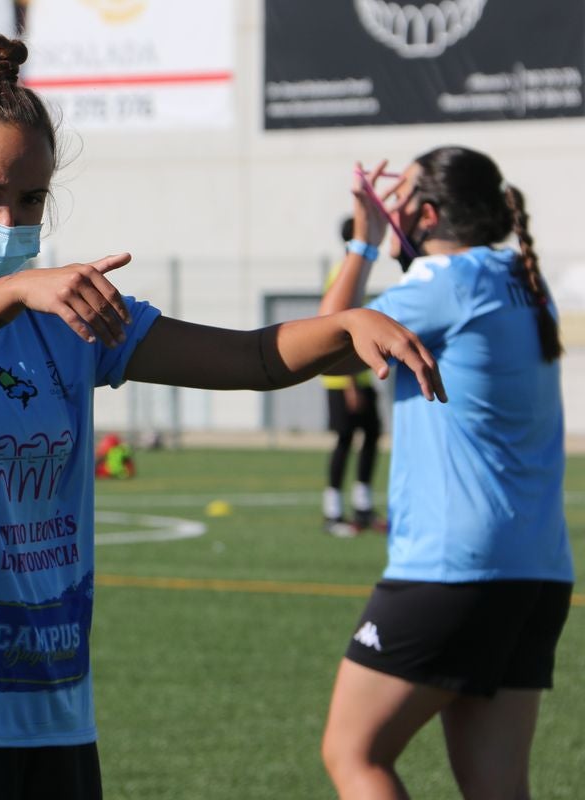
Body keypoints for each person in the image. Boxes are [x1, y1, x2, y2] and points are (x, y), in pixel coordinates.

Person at [0, 33, 444, 800]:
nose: (8, 218)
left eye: (31, 201)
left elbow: (248, 359)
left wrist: (348, 327)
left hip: (53, 715)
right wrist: (21, 290)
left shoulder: (67, 316)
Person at [318, 147, 574, 799]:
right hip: (536, 571)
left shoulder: (443, 283)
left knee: (354, 754)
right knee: (498, 788)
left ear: (427, 214)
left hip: (453, 567)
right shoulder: (522, 279)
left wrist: (364, 244)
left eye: (400, 199)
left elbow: (323, 347)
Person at [321, 216, 386, 537]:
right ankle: (332, 512)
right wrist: (348, 384)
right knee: (345, 440)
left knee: (372, 435)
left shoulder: (354, 272)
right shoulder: (342, 273)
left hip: (359, 376)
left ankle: (363, 506)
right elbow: (337, 329)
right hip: (340, 378)